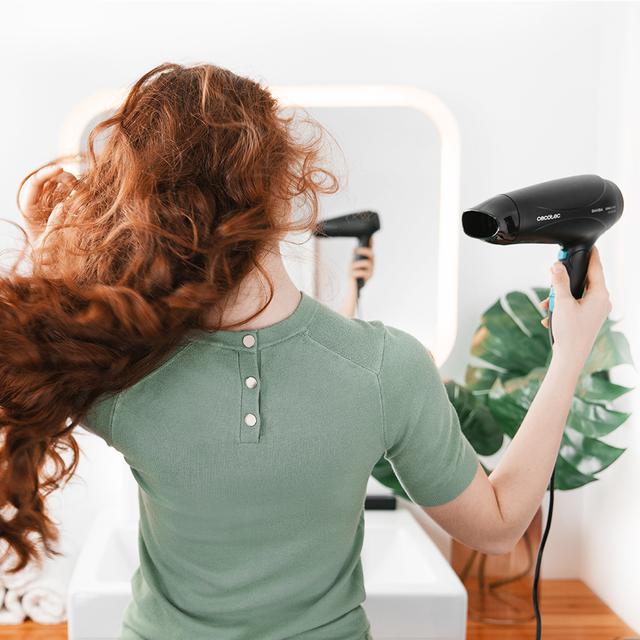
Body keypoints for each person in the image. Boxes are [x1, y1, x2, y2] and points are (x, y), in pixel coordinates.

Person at [2, 62, 612, 640]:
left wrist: (47, 263)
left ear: (140, 211)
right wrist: (569, 353)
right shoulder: (384, 369)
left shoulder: (119, 370)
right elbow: (499, 526)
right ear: (285, 188)